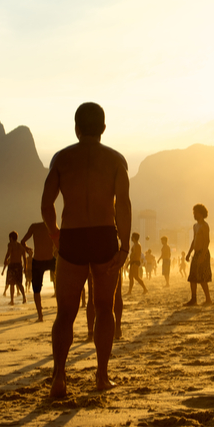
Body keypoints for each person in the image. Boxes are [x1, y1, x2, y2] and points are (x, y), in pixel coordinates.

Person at [41, 102, 130, 398]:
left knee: (65, 312)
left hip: (72, 237)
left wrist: (55, 234)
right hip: (104, 235)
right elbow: (124, 205)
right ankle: (102, 376)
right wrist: (125, 244)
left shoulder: (62, 159)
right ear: (103, 128)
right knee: (104, 308)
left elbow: (47, 203)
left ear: (76, 128)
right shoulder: (117, 161)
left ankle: (59, 378)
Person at [21, 222, 55, 322]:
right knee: (62, 282)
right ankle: (42, 315)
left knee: (36, 290)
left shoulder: (34, 226)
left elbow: (22, 242)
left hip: (39, 260)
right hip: (49, 259)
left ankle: (40, 316)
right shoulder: (51, 225)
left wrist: (27, 248)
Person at [185, 204, 212, 305]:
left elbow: (207, 241)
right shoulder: (195, 226)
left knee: (202, 278)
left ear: (200, 213)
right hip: (196, 253)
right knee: (192, 277)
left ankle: (208, 299)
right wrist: (188, 253)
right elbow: (194, 240)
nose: (194, 215)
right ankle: (193, 299)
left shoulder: (205, 226)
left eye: (195, 213)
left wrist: (203, 255)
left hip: (203, 253)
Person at [2, 231, 28, 305]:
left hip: (12, 266)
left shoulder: (10, 244)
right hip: (19, 266)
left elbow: (8, 252)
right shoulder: (21, 246)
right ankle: (24, 297)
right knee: (19, 283)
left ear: (11, 238)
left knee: (12, 284)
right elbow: (24, 257)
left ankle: (12, 300)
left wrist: (5, 259)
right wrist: (25, 267)